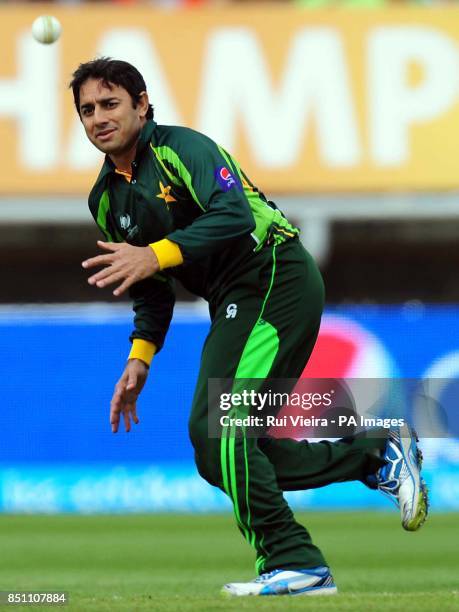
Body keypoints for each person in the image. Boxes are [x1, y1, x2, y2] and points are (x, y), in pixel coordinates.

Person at [71, 57, 428, 597]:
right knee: (215, 447)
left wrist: (155, 254)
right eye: (87, 110)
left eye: (110, 103)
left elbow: (233, 214)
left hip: (273, 275)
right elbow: (150, 288)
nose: (98, 117)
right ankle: (375, 453)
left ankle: (295, 562)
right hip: (238, 298)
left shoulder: (181, 148)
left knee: (225, 426)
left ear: (143, 105)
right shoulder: (105, 199)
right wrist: (140, 356)